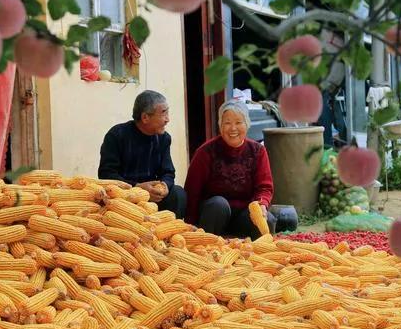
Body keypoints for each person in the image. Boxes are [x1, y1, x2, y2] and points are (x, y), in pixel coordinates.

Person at [184, 100, 276, 239]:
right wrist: (189, 226)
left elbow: (264, 187)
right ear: (220, 126)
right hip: (214, 215)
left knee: (267, 220)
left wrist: (262, 204)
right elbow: (192, 191)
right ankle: (209, 246)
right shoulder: (205, 152)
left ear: (247, 124)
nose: (233, 128)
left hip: (244, 213)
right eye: (227, 123)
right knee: (218, 204)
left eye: (239, 122)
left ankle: (253, 255)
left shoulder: (258, 151)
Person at [98, 90, 186, 217]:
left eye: (168, 112)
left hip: (154, 197)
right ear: (145, 117)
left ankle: (171, 233)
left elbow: (168, 172)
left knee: (178, 193)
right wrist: (137, 187)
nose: (168, 119)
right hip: (124, 197)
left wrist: (165, 185)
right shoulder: (117, 135)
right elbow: (106, 174)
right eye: (163, 113)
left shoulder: (164, 139)